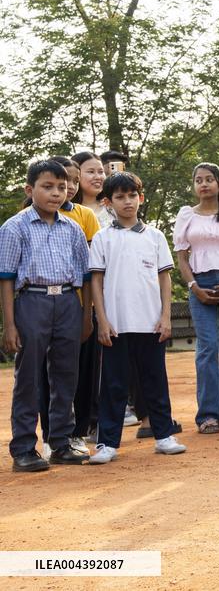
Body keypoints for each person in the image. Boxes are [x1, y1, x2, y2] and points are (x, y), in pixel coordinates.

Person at [89, 172, 188, 463]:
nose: (127, 201)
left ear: (140, 198)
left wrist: (166, 317)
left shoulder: (155, 236)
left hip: (151, 323)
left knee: (155, 381)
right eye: (120, 197)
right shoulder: (103, 238)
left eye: (132, 195)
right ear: (108, 203)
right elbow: (96, 281)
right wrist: (102, 320)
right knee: (113, 385)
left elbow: (164, 279)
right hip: (116, 325)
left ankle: (164, 435)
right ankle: (107, 443)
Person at [1, 160, 91, 471]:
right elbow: (6, 278)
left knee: (66, 374)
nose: (56, 193)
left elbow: (86, 276)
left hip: (68, 301)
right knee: (28, 377)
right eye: (47, 186)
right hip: (32, 301)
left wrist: (86, 317)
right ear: (30, 189)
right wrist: (10, 325)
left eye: (61, 187)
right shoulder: (14, 227)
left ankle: (61, 442)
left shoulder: (73, 228)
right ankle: (24, 448)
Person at [173, 163, 219, 433]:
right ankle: (207, 415)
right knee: (207, 348)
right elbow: (182, 258)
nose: (203, 184)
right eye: (198, 180)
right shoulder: (186, 215)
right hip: (200, 284)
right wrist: (194, 287)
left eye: (209, 179)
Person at [36, 156, 100, 459]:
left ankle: (77, 433)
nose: (70, 187)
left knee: (81, 373)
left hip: (79, 306)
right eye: (64, 182)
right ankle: (50, 434)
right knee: (46, 375)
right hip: (43, 306)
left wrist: (90, 310)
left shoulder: (84, 216)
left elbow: (90, 266)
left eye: (73, 181)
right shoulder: (30, 216)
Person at [72, 151, 114, 229]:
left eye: (101, 172)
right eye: (91, 172)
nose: (98, 177)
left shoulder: (111, 206)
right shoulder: (66, 211)